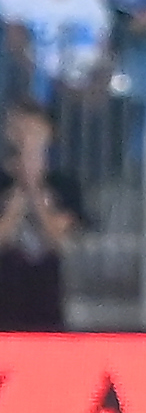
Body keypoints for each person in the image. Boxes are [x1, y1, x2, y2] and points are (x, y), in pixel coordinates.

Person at [0, 102, 73, 330]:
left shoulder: (64, 185)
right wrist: (18, 197)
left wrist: (35, 191)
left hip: (47, 300)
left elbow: (58, 240)